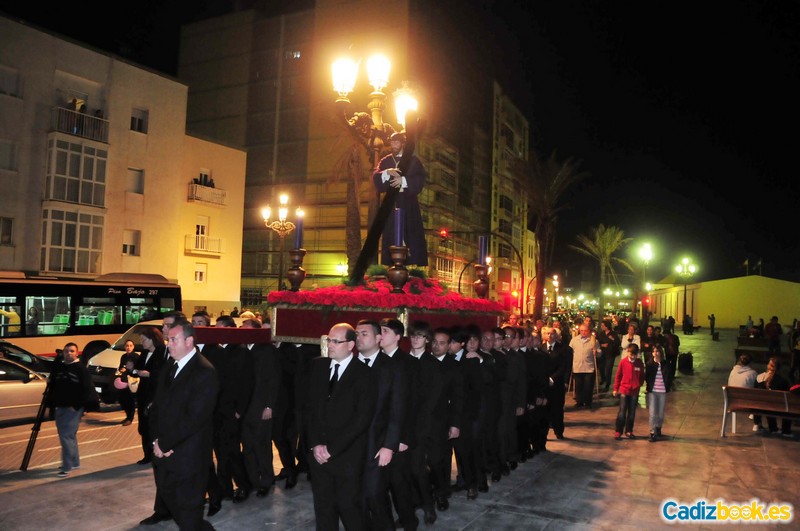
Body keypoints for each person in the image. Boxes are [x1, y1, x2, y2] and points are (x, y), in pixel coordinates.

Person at [149, 319, 219, 530]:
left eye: (173, 339)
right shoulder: (170, 366)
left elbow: (195, 418)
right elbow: (158, 407)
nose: (168, 344)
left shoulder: (204, 371)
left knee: (188, 511)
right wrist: (157, 441)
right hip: (165, 451)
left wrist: (166, 444)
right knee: (175, 504)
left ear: (189, 341)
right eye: (168, 339)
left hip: (188, 455)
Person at [306, 323, 374, 530]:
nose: (330, 345)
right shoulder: (317, 367)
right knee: (323, 507)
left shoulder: (364, 374)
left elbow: (361, 419)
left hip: (347, 455)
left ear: (351, 345)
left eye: (336, 341)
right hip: (318, 453)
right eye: (329, 340)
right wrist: (316, 444)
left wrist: (332, 449)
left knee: (349, 507)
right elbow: (309, 409)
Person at [371, 131, 428, 266]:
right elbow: (377, 177)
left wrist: (403, 181)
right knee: (390, 234)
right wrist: (387, 172)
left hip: (409, 204)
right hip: (390, 205)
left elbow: (420, 179)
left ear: (403, 143)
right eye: (392, 142)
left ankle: (412, 265)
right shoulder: (386, 161)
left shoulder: (413, 161)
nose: (393, 145)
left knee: (411, 234)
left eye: (396, 142)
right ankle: (390, 265)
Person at [240, 318, 281, 498]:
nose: (243, 333)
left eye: (247, 330)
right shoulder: (242, 350)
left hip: (261, 406)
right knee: (247, 446)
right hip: (246, 408)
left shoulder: (267, 350)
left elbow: (273, 380)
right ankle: (253, 480)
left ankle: (266, 480)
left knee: (261, 445)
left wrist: (269, 406)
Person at [48, 342, 95, 477]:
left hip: (72, 409)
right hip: (60, 407)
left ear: (76, 353)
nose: (69, 353)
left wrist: (78, 406)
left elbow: (87, 389)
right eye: (66, 351)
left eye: (72, 351)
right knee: (70, 436)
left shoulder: (81, 369)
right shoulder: (60, 367)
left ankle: (67, 466)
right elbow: (53, 385)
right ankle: (74, 462)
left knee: (65, 437)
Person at [133, 326, 166, 465]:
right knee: (143, 426)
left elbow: (164, 374)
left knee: (154, 426)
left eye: (144, 339)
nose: (142, 342)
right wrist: (132, 369)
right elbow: (137, 368)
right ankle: (147, 455)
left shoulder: (162, 352)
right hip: (143, 394)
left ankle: (156, 453)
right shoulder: (145, 353)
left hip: (155, 394)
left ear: (153, 339)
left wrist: (150, 374)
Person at [612, 344, 644, 440]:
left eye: (634, 354)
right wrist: (615, 388)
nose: (632, 356)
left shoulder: (639, 363)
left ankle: (629, 430)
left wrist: (638, 384)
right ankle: (618, 431)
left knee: (632, 413)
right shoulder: (623, 362)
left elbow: (642, 376)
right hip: (624, 390)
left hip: (634, 391)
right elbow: (618, 376)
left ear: (637, 354)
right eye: (630, 354)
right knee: (622, 412)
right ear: (628, 352)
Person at [755, 357, 792, 436]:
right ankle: (785, 431)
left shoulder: (759, 378)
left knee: (767, 402)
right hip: (778, 408)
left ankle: (770, 427)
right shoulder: (783, 381)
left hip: (760, 407)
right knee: (787, 405)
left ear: (768, 365)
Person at [645, 345, 673, 442]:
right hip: (653, 392)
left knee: (660, 413)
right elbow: (647, 377)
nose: (655, 353)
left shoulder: (665, 364)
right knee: (652, 413)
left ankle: (658, 427)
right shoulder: (650, 364)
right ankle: (652, 432)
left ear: (661, 352)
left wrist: (668, 386)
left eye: (657, 351)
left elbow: (669, 376)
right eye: (654, 351)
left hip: (662, 391)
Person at [569, 324, 600, 408]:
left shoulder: (593, 341)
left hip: (589, 367)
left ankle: (588, 401)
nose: (583, 332)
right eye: (582, 330)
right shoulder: (574, 340)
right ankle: (579, 401)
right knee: (578, 386)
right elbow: (570, 352)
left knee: (588, 385)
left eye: (585, 330)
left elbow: (599, 353)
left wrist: (596, 352)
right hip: (577, 366)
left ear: (589, 331)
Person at [116, 339, 139, 426]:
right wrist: (121, 369)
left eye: (130, 345)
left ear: (133, 347)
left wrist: (128, 370)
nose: (128, 347)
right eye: (127, 346)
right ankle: (127, 416)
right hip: (124, 380)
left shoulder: (136, 357)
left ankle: (130, 418)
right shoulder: (123, 356)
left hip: (132, 380)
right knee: (122, 399)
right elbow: (120, 367)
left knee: (130, 400)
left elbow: (137, 369)